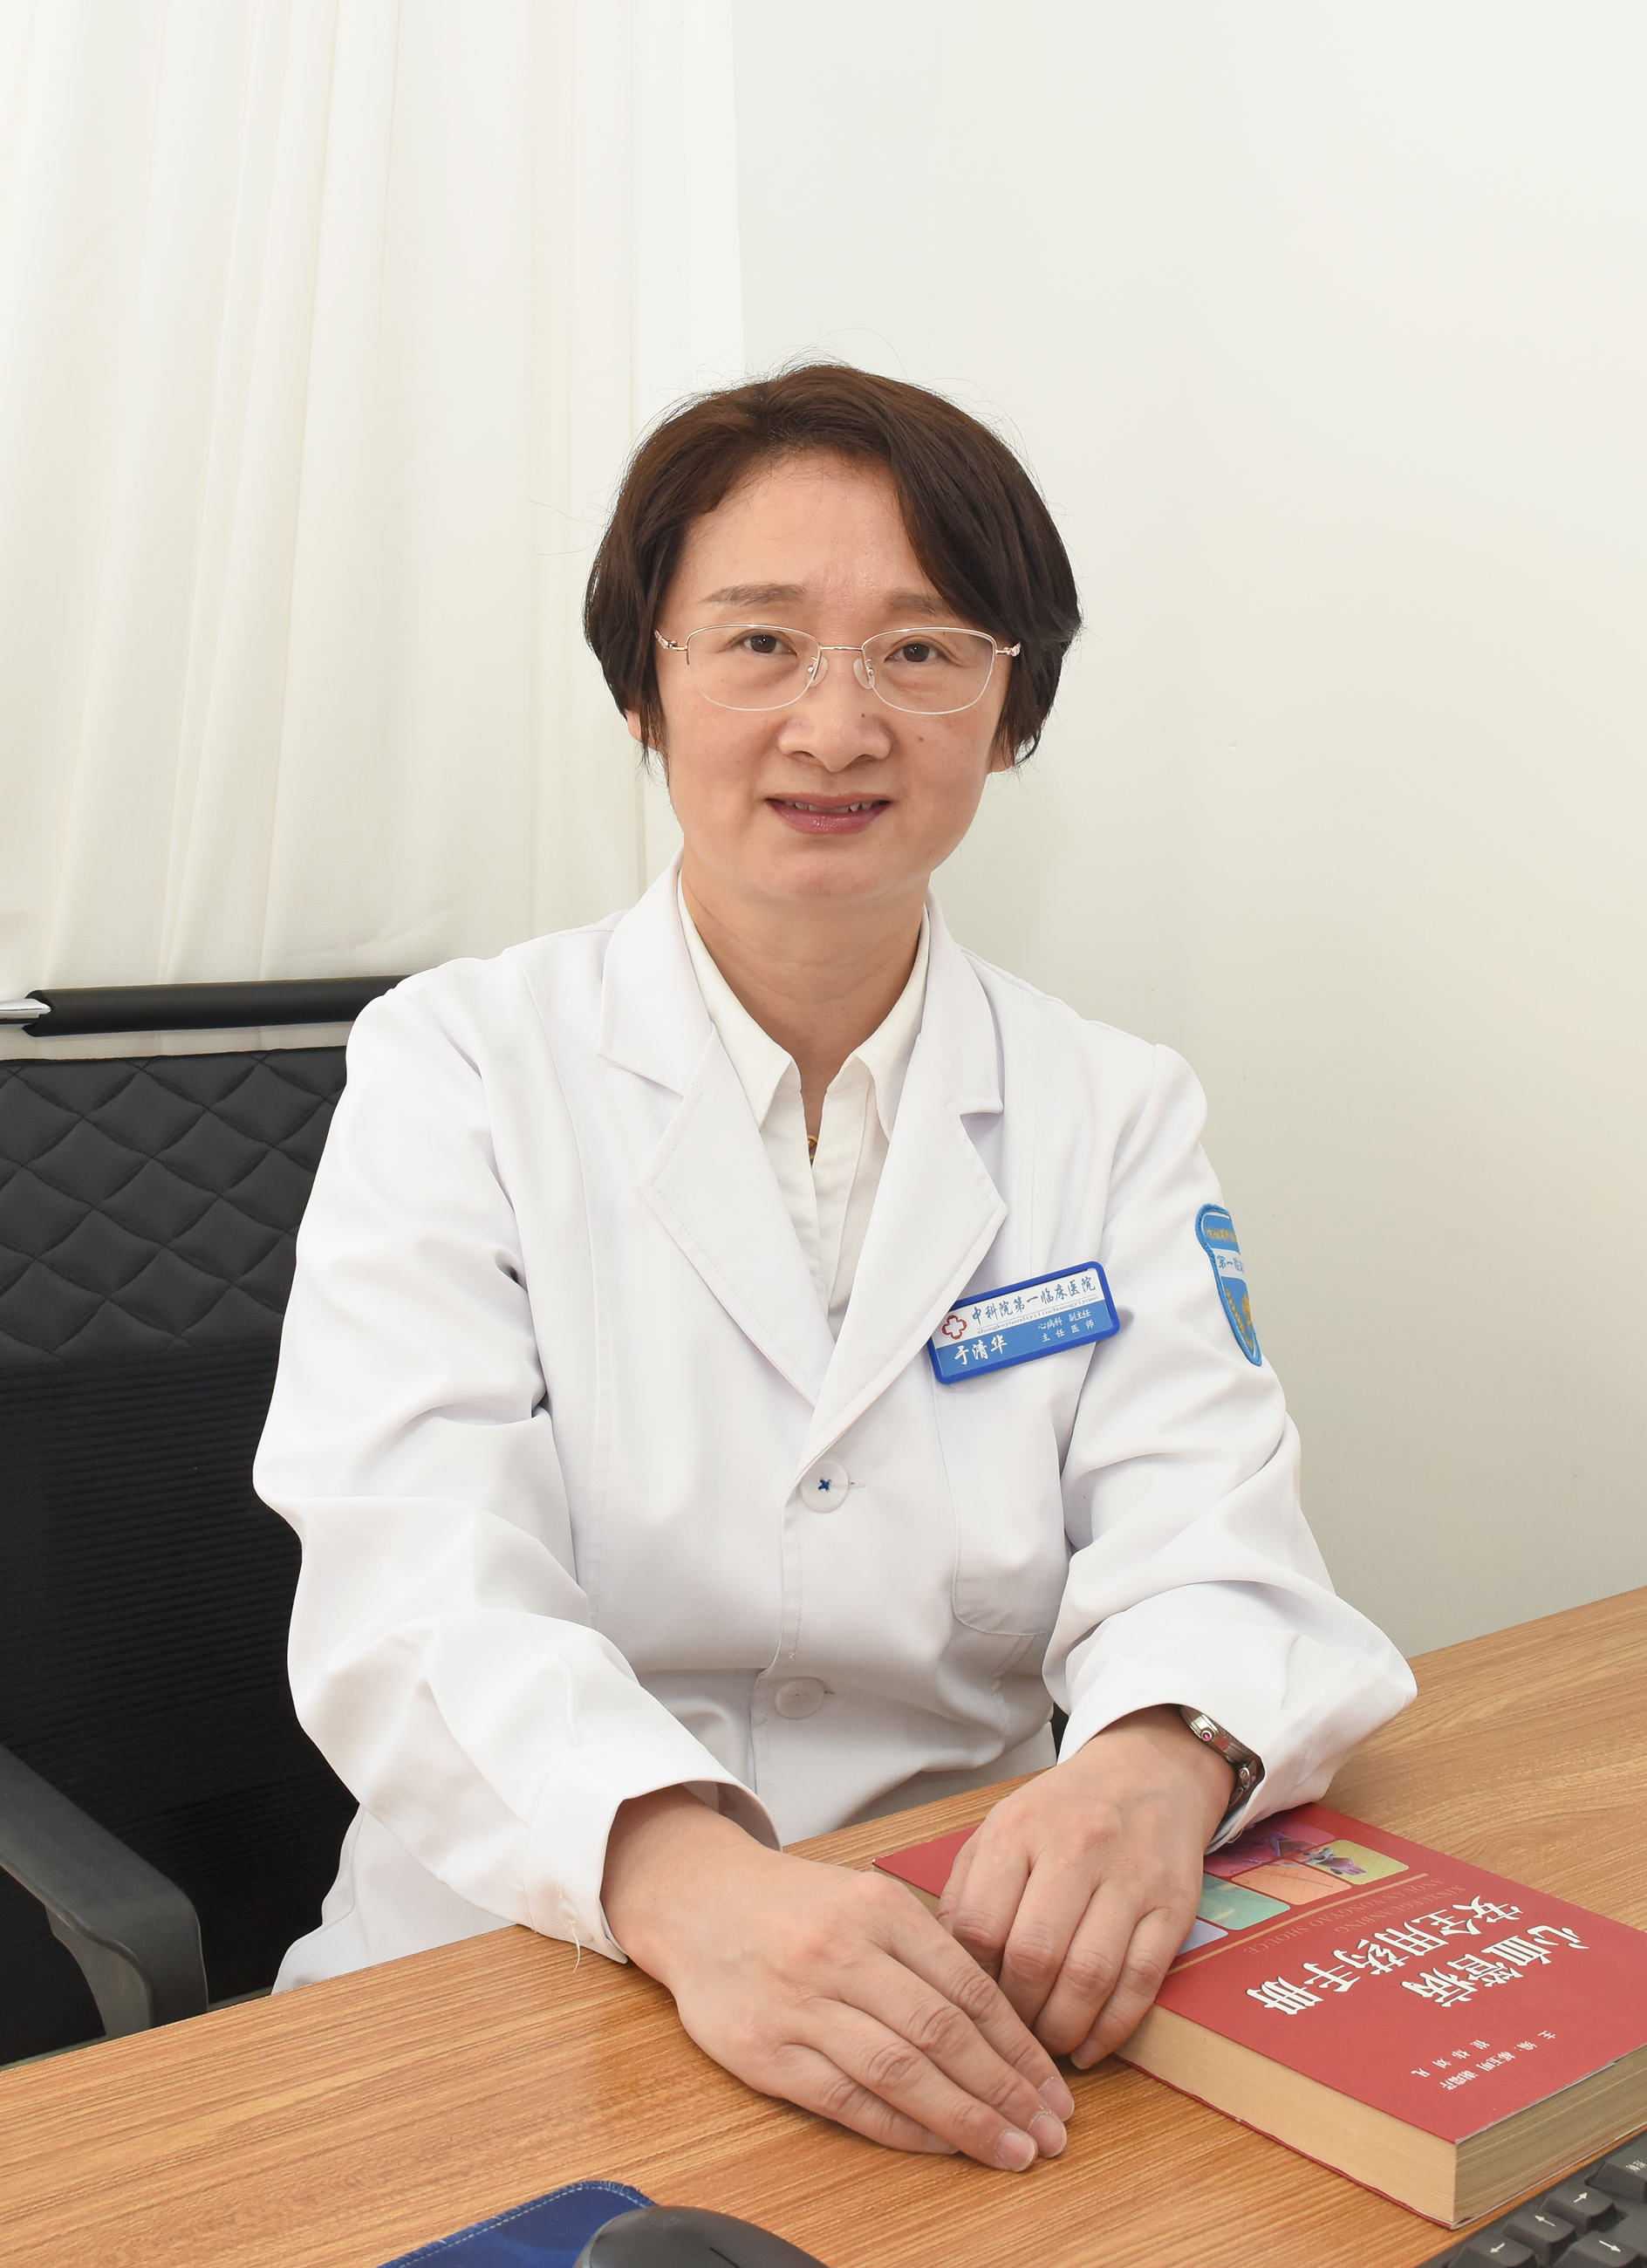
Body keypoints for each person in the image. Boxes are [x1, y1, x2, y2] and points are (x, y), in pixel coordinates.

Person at [255, 365, 1414, 2176]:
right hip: (517, 1950)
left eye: (921, 651)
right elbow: (411, 1580)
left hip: (958, 1966)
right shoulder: (459, 1065)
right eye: (759, 643)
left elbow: (1212, 1542)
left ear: (1010, 710)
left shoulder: (1109, 1108)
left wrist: (1156, 1756)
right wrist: (685, 1881)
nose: (836, 723)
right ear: (642, 690)